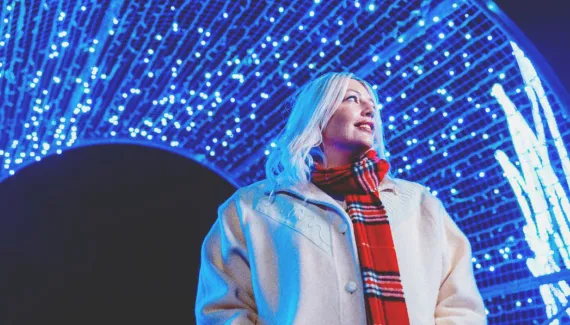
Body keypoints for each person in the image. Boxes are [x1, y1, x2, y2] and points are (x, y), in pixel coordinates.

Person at [195, 72, 487, 324]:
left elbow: (459, 305)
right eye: (351, 99)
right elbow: (223, 309)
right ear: (316, 113)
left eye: (372, 105)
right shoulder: (251, 208)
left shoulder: (420, 205)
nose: (369, 109)